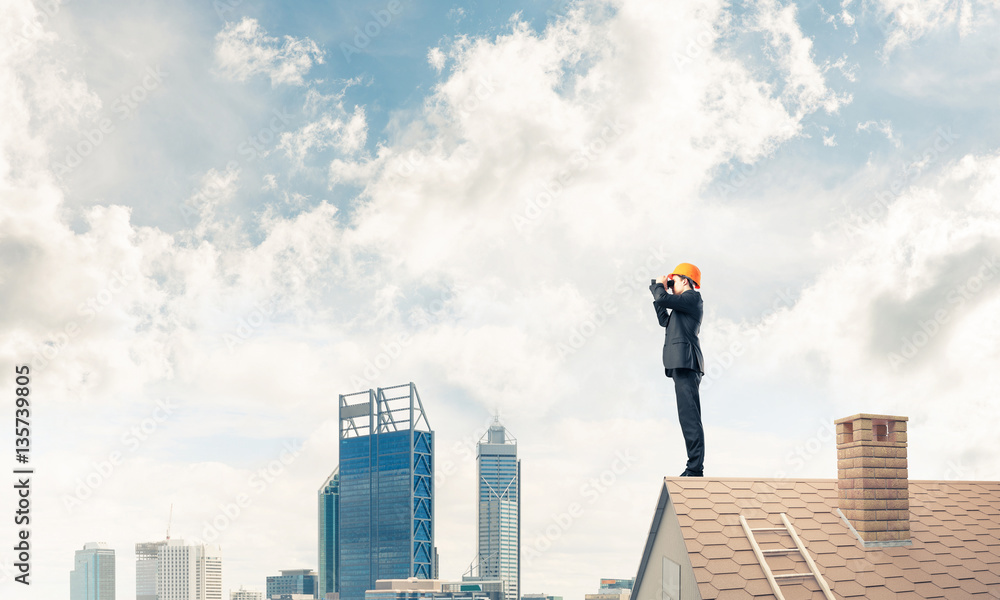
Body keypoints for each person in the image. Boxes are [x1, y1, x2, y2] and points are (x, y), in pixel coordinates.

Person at [650, 263, 705, 477]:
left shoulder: (692, 298)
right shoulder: (681, 307)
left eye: (674, 282)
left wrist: (659, 288)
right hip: (681, 364)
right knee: (686, 417)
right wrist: (658, 289)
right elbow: (664, 320)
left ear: (685, 280)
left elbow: (663, 298)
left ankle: (695, 468)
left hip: (687, 363)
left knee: (690, 417)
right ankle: (694, 467)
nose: (671, 286)